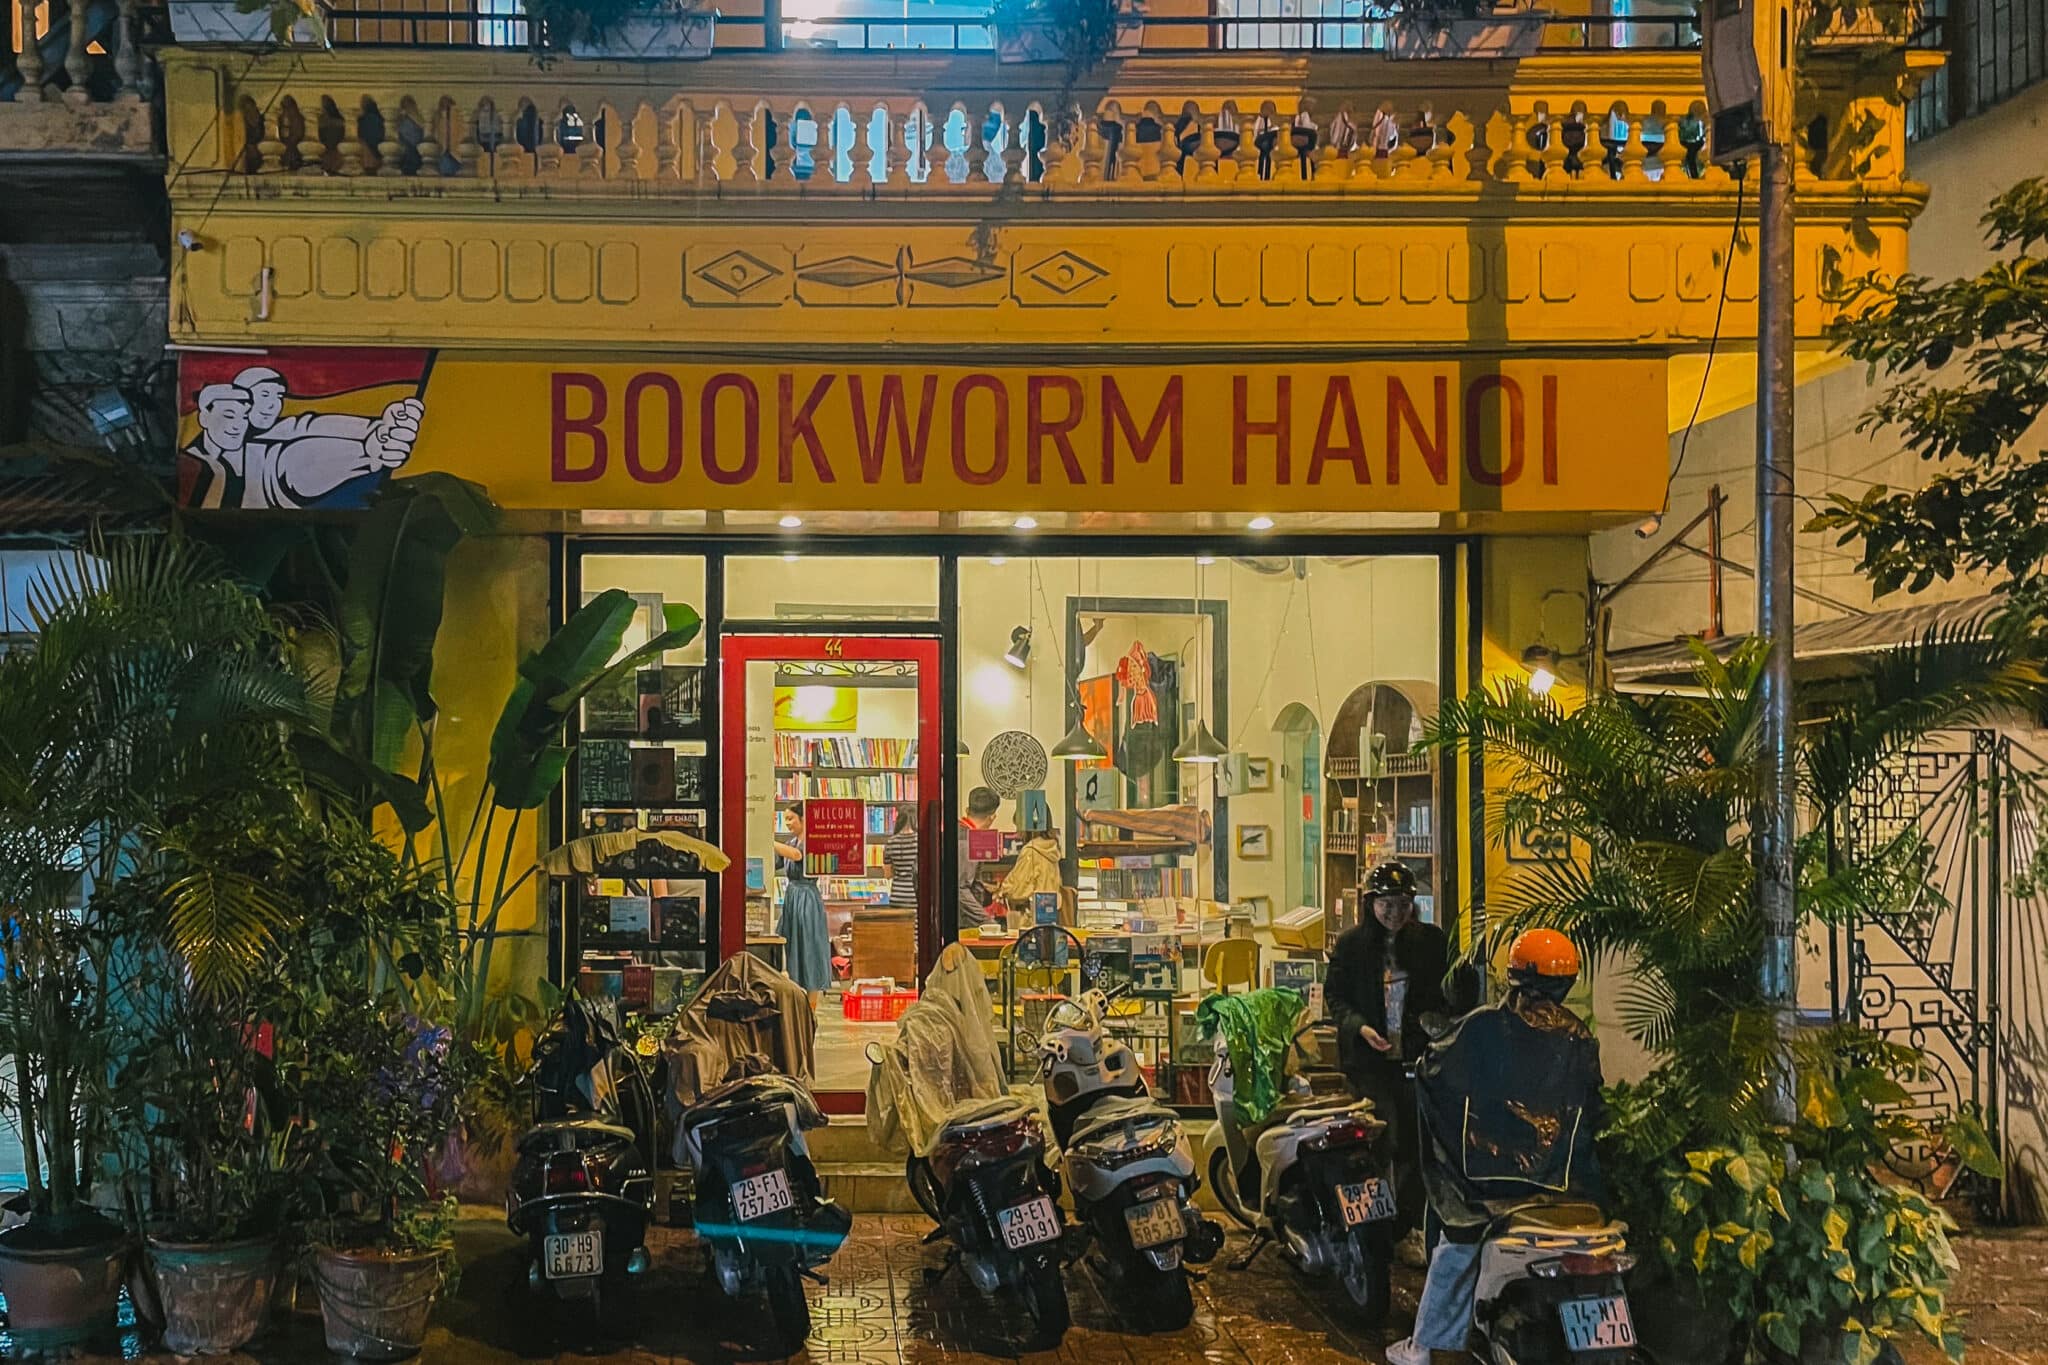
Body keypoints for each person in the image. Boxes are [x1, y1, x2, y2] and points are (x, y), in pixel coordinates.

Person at [1385, 929, 1607, 1365]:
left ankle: (1425, 1345)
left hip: (1486, 1178)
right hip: (1558, 1179)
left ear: (1515, 973)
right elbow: (1592, 1103)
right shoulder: (1579, 1037)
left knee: (1456, 1241)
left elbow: (1435, 1069)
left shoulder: (1483, 1025)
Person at [1323, 861, 1452, 1237]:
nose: (1394, 913)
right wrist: (1360, 1028)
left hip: (1415, 1058)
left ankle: (1405, 1225)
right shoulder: (1351, 945)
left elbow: (1445, 994)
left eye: (1402, 904)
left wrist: (1434, 1023)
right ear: (1370, 904)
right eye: (1386, 905)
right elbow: (1336, 997)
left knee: (1415, 1142)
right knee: (1380, 1136)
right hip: (1368, 1060)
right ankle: (1370, 1230)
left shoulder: (1431, 942)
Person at [773, 809, 830, 1012]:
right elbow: (777, 862)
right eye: (785, 819)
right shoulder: (790, 842)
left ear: (803, 819)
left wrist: (768, 839)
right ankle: (796, 997)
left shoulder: (811, 841)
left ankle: (811, 1005)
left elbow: (797, 856)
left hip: (807, 898)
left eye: (791, 818)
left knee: (809, 946)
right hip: (792, 896)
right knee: (791, 944)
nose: (787, 823)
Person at [957, 787, 1002, 931]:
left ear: (967, 810)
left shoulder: (959, 832)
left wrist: (985, 888)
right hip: (963, 921)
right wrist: (987, 921)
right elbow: (961, 887)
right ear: (992, 817)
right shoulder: (968, 840)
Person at [884, 807, 920, 911]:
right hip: (914, 895)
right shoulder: (919, 841)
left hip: (897, 896)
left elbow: (888, 874)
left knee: (900, 927)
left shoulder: (891, 842)